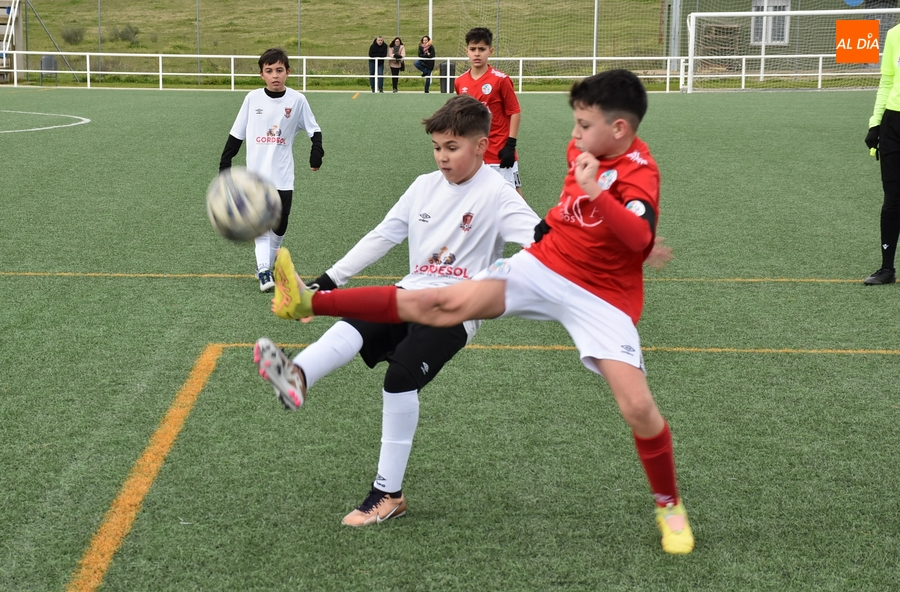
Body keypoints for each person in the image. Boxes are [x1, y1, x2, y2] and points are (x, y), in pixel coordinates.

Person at [267, 70, 694, 554]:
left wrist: (624, 227)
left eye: (582, 124)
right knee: (419, 306)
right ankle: (307, 311)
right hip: (542, 267)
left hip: (600, 294)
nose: (573, 135)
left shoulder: (631, 170)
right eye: (574, 123)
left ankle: (669, 504)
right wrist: (329, 279)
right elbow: (550, 229)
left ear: (618, 129)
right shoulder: (576, 151)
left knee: (636, 406)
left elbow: (603, 232)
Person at [254, 95, 540, 527]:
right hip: (410, 292)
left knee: (400, 376)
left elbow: (541, 242)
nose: (442, 157)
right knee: (355, 326)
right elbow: (382, 236)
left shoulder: (498, 194)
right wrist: (329, 279)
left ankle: (387, 494)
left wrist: (502, 274)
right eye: (437, 147)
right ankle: (297, 376)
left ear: (482, 146)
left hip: (458, 310)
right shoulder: (423, 185)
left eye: (452, 148)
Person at [218, 47, 324, 292]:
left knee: (280, 225)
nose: (275, 75)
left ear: (287, 72)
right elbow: (236, 134)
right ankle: (264, 270)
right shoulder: (252, 99)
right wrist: (225, 164)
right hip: (256, 178)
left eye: (279, 70)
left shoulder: (297, 100)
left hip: (284, 177)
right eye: (269, 71)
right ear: (261, 75)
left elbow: (313, 129)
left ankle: (268, 262)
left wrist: (316, 150)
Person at [455, 27, 523, 196]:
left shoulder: (501, 80)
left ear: (490, 51)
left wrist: (511, 145)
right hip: (474, 152)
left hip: (500, 150)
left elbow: (514, 111)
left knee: (512, 196)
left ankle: (528, 223)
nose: (477, 53)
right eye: (473, 49)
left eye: (482, 49)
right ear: (467, 51)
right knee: (476, 196)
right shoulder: (460, 82)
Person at [864, 22, 900, 285]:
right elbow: (887, 80)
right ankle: (887, 269)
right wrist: (875, 123)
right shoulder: (894, 34)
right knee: (893, 200)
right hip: (893, 124)